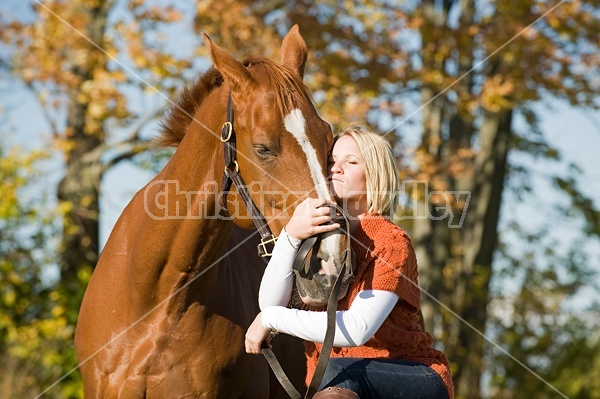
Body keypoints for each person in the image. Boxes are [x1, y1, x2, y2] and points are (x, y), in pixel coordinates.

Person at [245, 125, 453, 399]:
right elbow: (270, 305)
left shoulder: (391, 242)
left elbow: (356, 329)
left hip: (415, 376)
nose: (335, 169)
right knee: (335, 375)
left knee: (340, 371)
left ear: (375, 174)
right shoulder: (316, 235)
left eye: (351, 162)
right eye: (331, 161)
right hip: (338, 381)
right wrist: (291, 236)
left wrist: (272, 319)